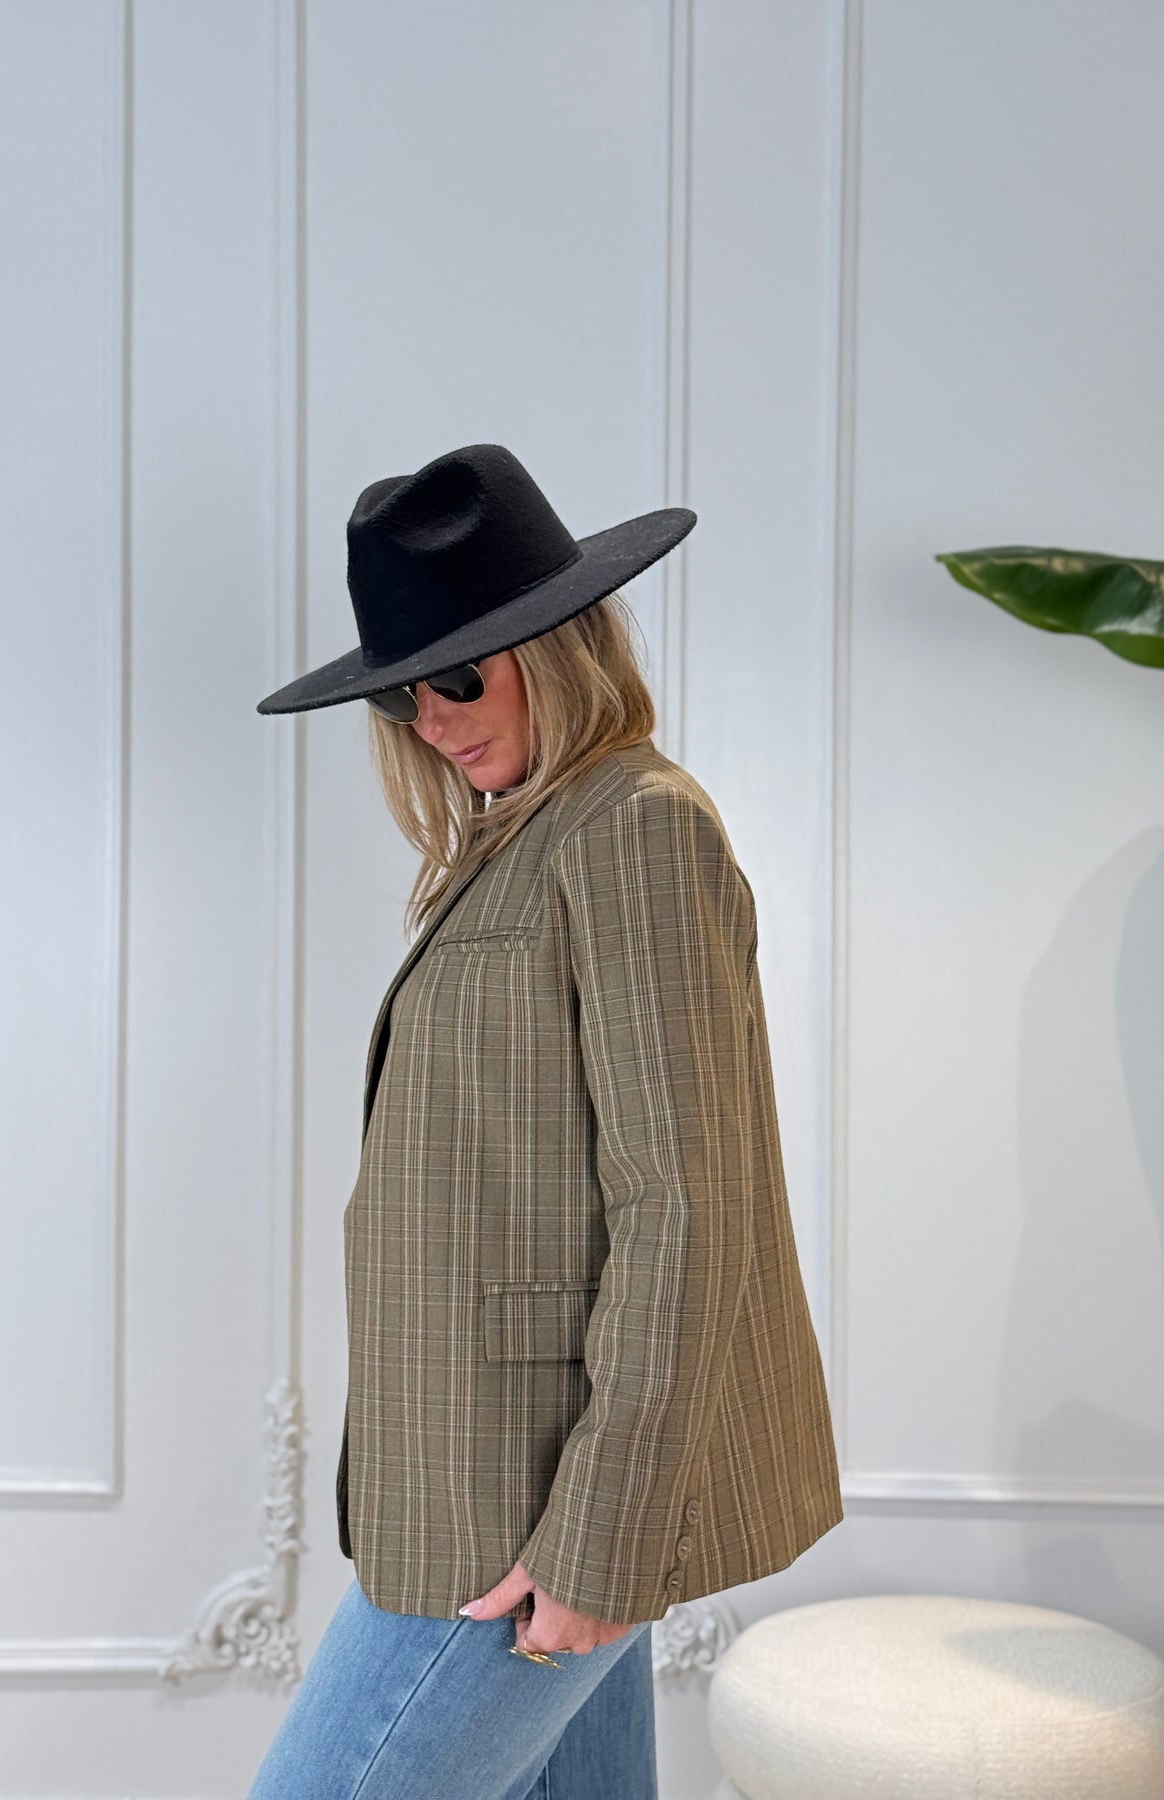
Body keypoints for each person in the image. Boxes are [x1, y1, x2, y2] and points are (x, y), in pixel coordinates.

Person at [246, 444, 844, 1798]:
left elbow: (683, 1200)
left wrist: (602, 1536)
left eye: (460, 676)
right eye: (401, 691)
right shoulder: (527, 835)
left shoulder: (634, 826)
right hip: (492, 1476)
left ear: (562, 645)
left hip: (532, 1507)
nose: (430, 720)